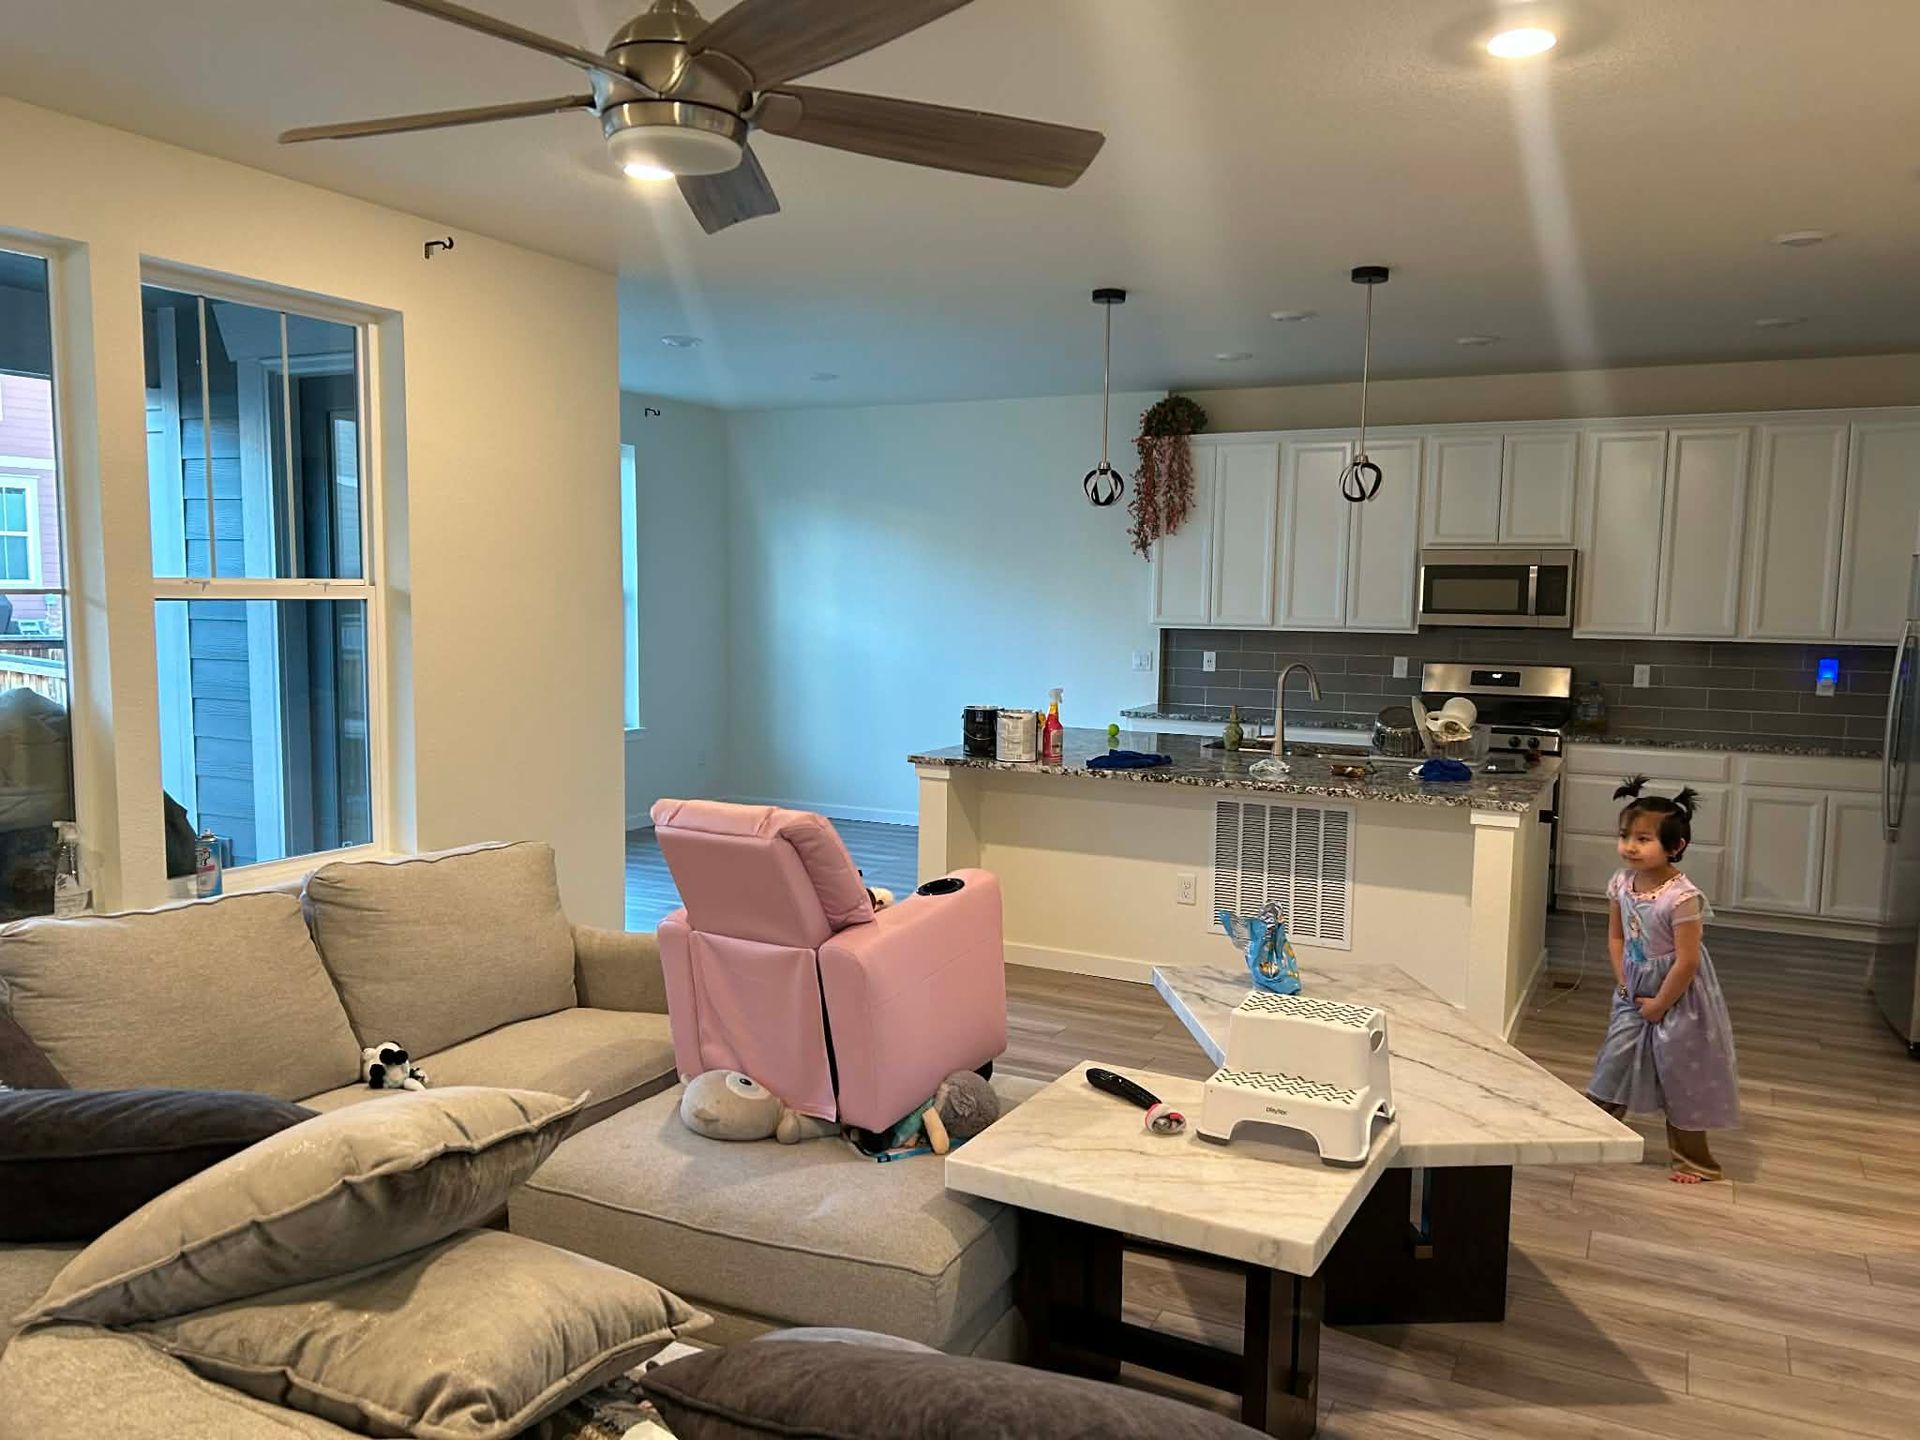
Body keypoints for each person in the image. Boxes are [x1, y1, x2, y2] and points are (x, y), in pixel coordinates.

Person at [1586, 776, 1740, 1182]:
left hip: (1679, 994)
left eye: (1643, 839)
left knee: (1681, 1072)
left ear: (1675, 847)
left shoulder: (1681, 898)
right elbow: (1617, 937)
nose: (1630, 846)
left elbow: (1687, 962)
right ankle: (1592, 1133)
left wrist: (1659, 1003)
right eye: (1625, 836)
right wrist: (1625, 982)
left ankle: (1696, 1162)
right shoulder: (1620, 883)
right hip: (1634, 987)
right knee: (1614, 1057)